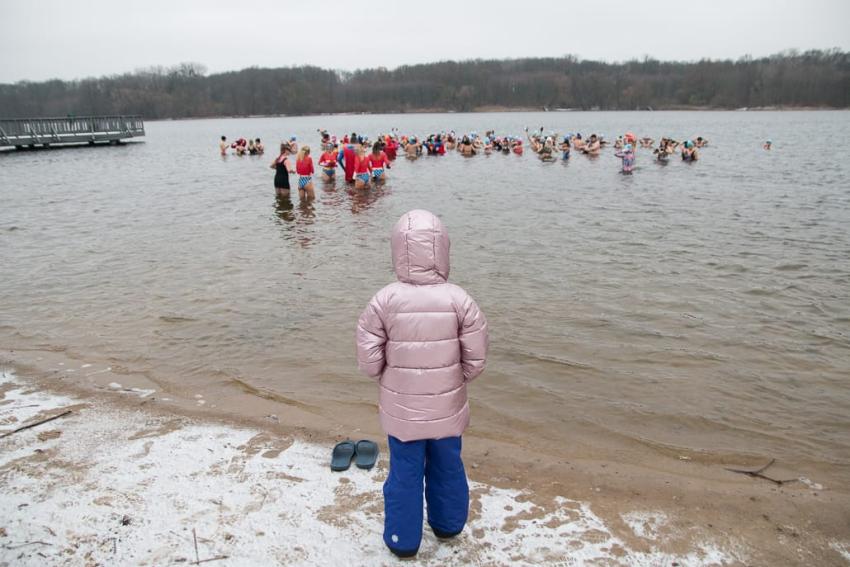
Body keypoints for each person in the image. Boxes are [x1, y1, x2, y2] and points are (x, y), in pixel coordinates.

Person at [356, 209, 488, 559]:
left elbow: (369, 362)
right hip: (447, 409)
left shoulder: (383, 300)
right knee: (448, 465)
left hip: (403, 414)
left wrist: (391, 373)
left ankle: (403, 540)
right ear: (443, 250)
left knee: (404, 473)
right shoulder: (460, 300)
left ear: (398, 250)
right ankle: (448, 525)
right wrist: (452, 380)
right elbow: (475, 362)